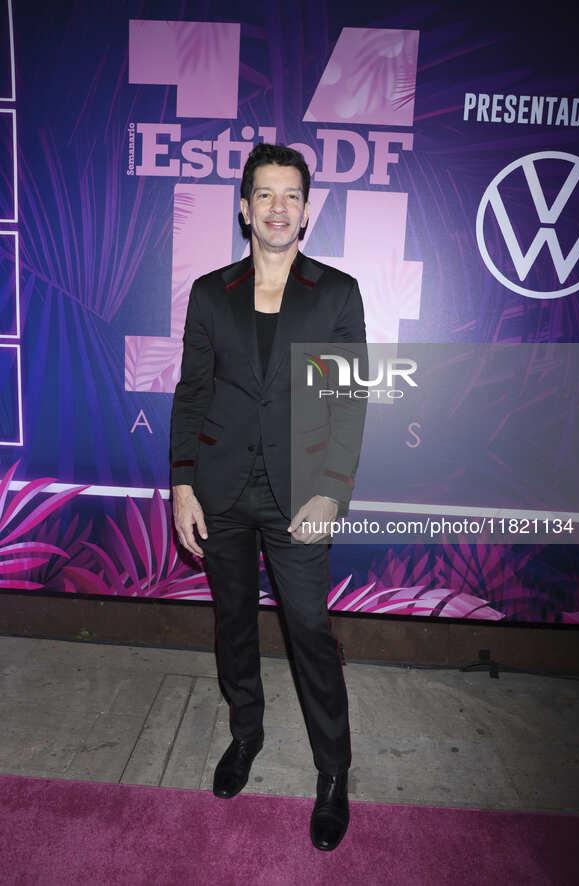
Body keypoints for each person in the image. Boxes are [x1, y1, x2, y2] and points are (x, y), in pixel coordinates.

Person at [170, 143, 366, 852]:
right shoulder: (208, 291)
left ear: (305, 211)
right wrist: (182, 483)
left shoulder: (336, 293)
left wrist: (332, 494)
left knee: (310, 632)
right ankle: (245, 735)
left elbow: (347, 405)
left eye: (291, 195)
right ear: (244, 208)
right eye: (265, 194)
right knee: (233, 626)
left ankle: (334, 773)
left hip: (302, 499)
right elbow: (191, 392)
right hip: (220, 492)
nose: (278, 207)